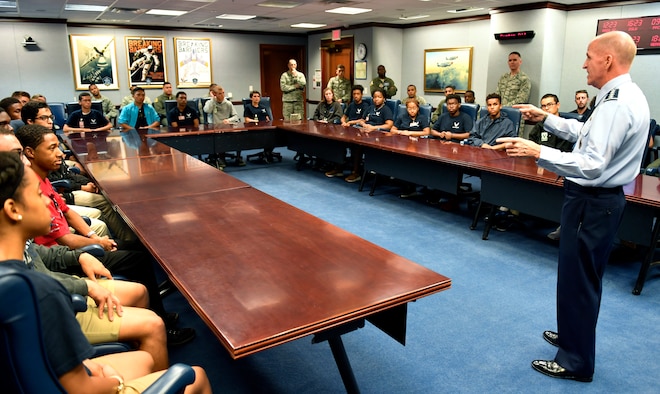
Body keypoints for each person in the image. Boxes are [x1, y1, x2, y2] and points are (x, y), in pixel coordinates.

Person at [498, 31, 649, 382]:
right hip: (595, 201)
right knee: (574, 277)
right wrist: (546, 118)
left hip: (593, 201)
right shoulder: (620, 94)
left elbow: (592, 163)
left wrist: (539, 152)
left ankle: (575, 361)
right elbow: (586, 134)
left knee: (579, 280)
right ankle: (571, 337)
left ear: (607, 60)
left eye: (588, 56)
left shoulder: (617, 103)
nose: (583, 63)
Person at [0, 151, 212, 393]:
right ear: (12, 209)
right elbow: (83, 389)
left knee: (144, 360)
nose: (49, 202)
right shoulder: (39, 291)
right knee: (196, 376)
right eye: (39, 195)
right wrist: (113, 380)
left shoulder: (14, 273)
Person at [15, 124, 196, 346]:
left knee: (138, 247)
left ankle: (157, 309)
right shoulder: (31, 187)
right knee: (137, 259)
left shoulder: (40, 178)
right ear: (31, 153)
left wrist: (94, 236)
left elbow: (67, 212)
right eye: (52, 148)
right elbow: (65, 240)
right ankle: (163, 328)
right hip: (65, 256)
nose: (60, 153)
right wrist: (95, 243)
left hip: (70, 252)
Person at [203, 84, 242, 167]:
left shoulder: (228, 103)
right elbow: (207, 111)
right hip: (214, 127)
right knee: (219, 138)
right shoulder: (210, 103)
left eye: (223, 93)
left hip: (226, 126)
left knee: (239, 135)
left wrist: (228, 120)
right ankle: (221, 158)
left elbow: (236, 116)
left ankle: (238, 157)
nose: (223, 95)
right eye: (220, 93)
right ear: (214, 94)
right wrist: (213, 100)